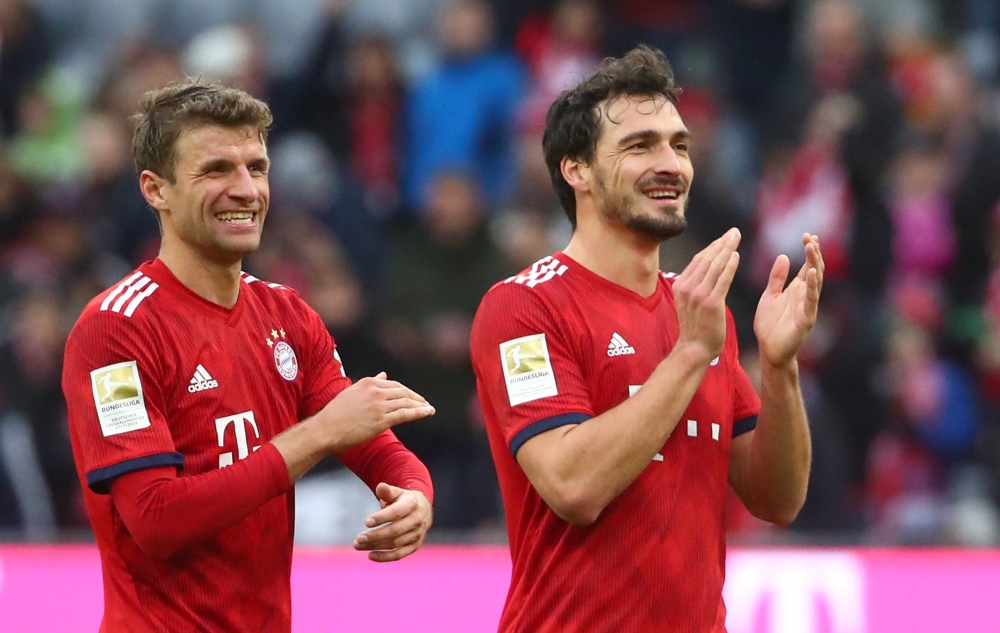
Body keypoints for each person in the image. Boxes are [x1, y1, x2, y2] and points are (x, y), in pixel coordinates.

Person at [469, 45, 824, 632]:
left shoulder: (701, 313)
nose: (672, 163)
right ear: (576, 169)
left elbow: (776, 500)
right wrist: (689, 354)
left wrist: (781, 370)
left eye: (678, 145)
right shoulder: (523, 307)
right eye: (640, 146)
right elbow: (574, 485)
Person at [61, 81, 436, 632]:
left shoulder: (287, 314)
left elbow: (366, 438)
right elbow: (156, 520)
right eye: (216, 170)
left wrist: (415, 492)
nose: (245, 190)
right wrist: (316, 435)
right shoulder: (114, 329)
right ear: (155, 189)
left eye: (256, 168)